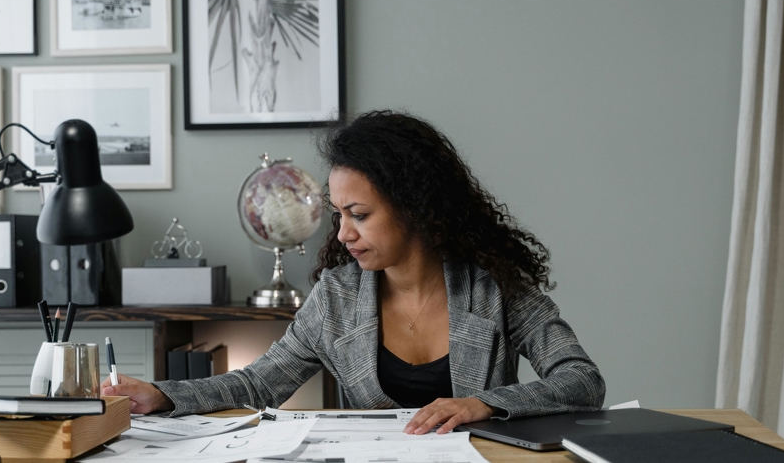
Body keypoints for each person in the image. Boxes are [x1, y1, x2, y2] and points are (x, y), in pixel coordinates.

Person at [103, 110, 605, 435]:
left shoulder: (493, 287)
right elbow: (257, 386)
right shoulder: (336, 298)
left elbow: (581, 379)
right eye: (338, 213)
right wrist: (162, 393)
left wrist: (486, 404)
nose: (342, 233)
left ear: (414, 207)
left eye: (359, 215)